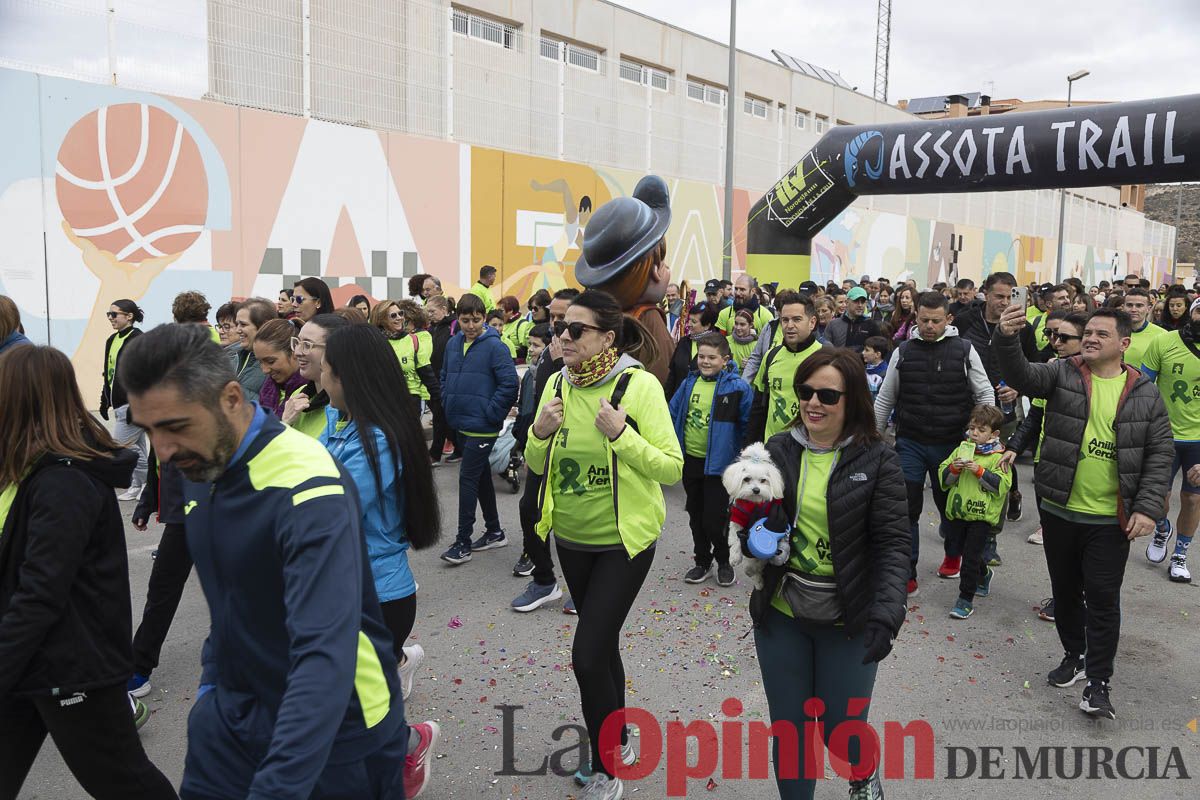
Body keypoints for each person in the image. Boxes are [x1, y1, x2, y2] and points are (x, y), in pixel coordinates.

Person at [120, 324, 439, 800]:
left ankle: (407, 746)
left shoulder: (308, 486)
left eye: (176, 426)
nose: (163, 451)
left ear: (231, 398)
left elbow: (322, 656)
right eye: (150, 431)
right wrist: (211, 701)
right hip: (234, 719)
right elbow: (230, 606)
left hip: (338, 729)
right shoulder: (203, 464)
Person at [525, 290, 684, 798]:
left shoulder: (638, 387)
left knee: (587, 653)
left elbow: (671, 466)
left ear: (607, 337)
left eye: (576, 329)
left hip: (623, 542)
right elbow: (533, 465)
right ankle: (621, 732)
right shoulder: (554, 382)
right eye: (559, 328)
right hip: (572, 538)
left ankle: (607, 764)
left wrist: (622, 436)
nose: (563, 337)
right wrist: (538, 431)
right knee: (603, 641)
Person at [0, 345, 177, 800]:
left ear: (18, 399)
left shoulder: (63, 483)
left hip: (71, 667)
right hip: (31, 660)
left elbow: (41, 590)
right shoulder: (30, 470)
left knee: (125, 783)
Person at [996, 303, 1173, 720]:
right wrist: (1006, 337)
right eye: (1088, 332)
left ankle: (1098, 683)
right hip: (1059, 510)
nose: (1090, 338)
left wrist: (1147, 508)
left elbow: (1159, 455)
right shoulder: (1061, 372)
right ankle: (1073, 654)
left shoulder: (1145, 394)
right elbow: (1021, 376)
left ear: (1124, 344)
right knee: (1065, 592)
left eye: (1102, 334)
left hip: (1109, 521)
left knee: (1103, 598)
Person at [750, 348, 910, 800]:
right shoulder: (779, 448)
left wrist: (886, 613)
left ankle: (864, 773)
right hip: (784, 613)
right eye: (805, 391)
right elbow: (750, 516)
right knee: (791, 730)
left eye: (827, 395)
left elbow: (895, 543)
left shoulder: (878, 459)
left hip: (850, 618)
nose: (813, 403)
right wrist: (752, 535)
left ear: (853, 399)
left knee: (842, 730)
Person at [321, 324, 441, 700]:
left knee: (357, 712)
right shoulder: (342, 425)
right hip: (347, 588)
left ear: (345, 378)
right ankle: (399, 669)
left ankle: (412, 744)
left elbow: (330, 509)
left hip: (375, 597)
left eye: (324, 368)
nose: (320, 378)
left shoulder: (378, 439)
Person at [873, 291, 995, 595]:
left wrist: (987, 438)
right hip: (910, 442)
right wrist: (874, 438)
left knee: (950, 509)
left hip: (952, 445)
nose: (929, 325)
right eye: (924, 319)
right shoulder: (903, 351)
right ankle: (907, 571)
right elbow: (885, 397)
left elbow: (985, 394)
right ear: (916, 317)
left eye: (935, 320)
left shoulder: (965, 350)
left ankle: (954, 553)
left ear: (948, 319)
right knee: (906, 508)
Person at [952, 272, 1039, 562]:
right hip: (966, 406)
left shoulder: (1021, 326)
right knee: (967, 465)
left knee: (999, 464)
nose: (1004, 302)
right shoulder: (964, 320)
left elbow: (1034, 367)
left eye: (1009, 296)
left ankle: (990, 539)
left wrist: (1018, 386)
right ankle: (960, 526)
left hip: (1003, 410)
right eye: (999, 296)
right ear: (985, 294)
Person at [510, 289, 580, 615]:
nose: (557, 325)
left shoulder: (581, 352)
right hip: (543, 445)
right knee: (530, 511)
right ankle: (544, 580)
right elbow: (538, 399)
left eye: (564, 319)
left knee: (574, 522)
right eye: (553, 317)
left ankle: (583, 587)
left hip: (578, 453)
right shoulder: (550, 351)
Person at [439, 293, 518, 565]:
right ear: (457, 319)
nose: (471, 325)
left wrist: (491, 413)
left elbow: (509, 384)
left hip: (482, 427)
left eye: (476, 320)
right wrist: (447, 399)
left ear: (484, 318)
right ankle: (495, 531)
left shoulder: (496, 347)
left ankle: (463, 542)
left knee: (468, 479)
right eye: (465, 320)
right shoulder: (453, 344)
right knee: (481, 476)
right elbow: (444, 376)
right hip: (460, 421)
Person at [669, 332, 752, 587]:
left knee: (714, 518)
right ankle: (702, 561)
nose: (705, 362)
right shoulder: (688, 384)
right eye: (701, 356)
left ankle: (724, 561)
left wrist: (742, 459)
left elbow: (747, 425)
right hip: (691, 461)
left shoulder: (738, 387)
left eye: (712, 357)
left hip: (720, 465)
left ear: (725, 360)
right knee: (695, 514)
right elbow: (672, 414)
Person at [574, 176, 674, 385]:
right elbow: (659, 384)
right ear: (653, 272)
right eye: (661, 262)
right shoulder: (648, 321)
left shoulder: (593, 320)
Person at [1140, 297, 1200, 583]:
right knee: (1159, 497)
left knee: (1191, 499)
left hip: (1198, 441)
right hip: (1164, 434)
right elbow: (1142, 387)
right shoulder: (1164, 342)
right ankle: (1162, 528)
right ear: (1191, 314)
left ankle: (1180, 554)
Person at [127, 442, 189, 699]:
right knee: (161, 591)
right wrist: (147, 502)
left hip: (221, 512)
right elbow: (158, 459)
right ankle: (139, 667)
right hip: (181, 519)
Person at [939, 404, 1012, 619]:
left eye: (981, 430)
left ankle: (965, 599)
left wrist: (979, 471)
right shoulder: (961, 449)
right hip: (959, 511)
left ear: (994, 434)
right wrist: (954, 468)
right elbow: (943, 476)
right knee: (963, 549)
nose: (974, 434)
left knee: (970, 557)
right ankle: (983, 573)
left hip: (982, 516)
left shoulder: (999, 456)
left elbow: (1001, 486)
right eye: (972, 428)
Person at [746, 291, 826, 444]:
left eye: (797, 319)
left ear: (812, 322)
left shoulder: (825, 357)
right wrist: (749, 445)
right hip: (773, 448)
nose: (790, 326)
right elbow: (758, 407)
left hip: (810, 448)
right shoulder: (771, 356)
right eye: (785, 320)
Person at [101, 298, 148, 501]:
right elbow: (109, 372)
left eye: (114, 314)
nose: (110, 318)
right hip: (119, 404)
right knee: (137, 445)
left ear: (129, 316)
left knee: (121, 445)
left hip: (134, 405)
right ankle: (138, 485)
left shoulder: (138, 339)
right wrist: (104, 399)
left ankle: (149, 483)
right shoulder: (112, 340)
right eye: (108, 314)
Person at [283, 313, 351, 438]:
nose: (297, 352)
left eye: (307, 345)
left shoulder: (343, 404)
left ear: (334, 350)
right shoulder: (298, 396)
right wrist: (285, 423)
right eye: (297, 342)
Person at [253, 318, 306, 418]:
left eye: (270, 361)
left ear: (295, 351)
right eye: (260, 362)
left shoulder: (311, 392)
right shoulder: (267, 390)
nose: (265, 370)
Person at [426, 296, 457, 464]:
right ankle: (459, 449)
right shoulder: (431, 329)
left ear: (444, 310)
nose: (429, 315)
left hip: (448, 379)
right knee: (444, 416)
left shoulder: (454, 326)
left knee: (440, 416)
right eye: (427, 312)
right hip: (433, 378)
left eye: (433, 311)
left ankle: (435, 454)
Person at [665, 301, 717, 399]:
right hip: (677, 400)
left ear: (707, 325)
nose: (688, 324)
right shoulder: (684, 342)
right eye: (689, 320)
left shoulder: (717, 345)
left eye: (694, 322)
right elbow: (672, 374)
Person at [230, 297, 275, 402]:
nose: (237, 330)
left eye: (243, 324)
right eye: (237, 324)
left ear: (264, 325)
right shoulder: (234, 354)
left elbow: (270, 406)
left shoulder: (278, 362)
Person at [825, 286, 881, 353]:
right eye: (856, 301)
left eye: (862, 302)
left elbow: (877, 351)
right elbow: (826, 351)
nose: (860, 305)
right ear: (847, 302)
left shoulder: (871, 325)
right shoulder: (833, 324)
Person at [499, 295, 533, 360]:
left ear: (510, 311)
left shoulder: (522, 324)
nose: (499, 313)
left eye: (501, 311)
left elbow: (524, 350)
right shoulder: (504, 323)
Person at [862, 335, 890, 405]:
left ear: (877, 354)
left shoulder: (885, 375)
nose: (863, 353)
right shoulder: (863, 369)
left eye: (867, 350)